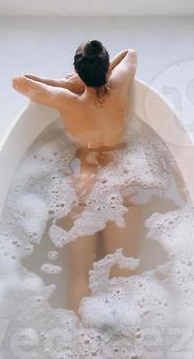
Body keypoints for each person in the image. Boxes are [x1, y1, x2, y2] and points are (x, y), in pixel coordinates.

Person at [12, 42, 139, 310]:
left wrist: (65, 83)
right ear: (106, 68)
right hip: (121, 182)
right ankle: (129, 343)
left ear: (78, 71)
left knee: (81, 275)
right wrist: (105, 73)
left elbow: (19, 82)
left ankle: (83, 347)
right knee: (122, 274)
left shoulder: (66, 101)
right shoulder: (120, 85)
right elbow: (130, 53)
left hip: (85, 184)